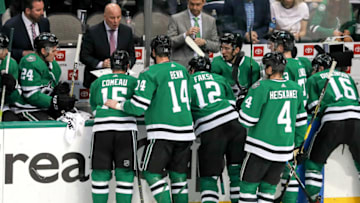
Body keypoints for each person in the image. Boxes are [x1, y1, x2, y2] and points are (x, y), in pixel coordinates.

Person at [105, 35, 195, 203]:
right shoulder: (182, 70)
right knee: (178, 176)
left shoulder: (150, 73)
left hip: (163, 133)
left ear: (153, 52)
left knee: (151, 172)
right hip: (186, 132)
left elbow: (138, 107)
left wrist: (118, 105)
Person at [238, 52, 307, 203]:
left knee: (248, 189)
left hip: (260, 148)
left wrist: (242, 104)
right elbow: (301, 122)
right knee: (268, 191)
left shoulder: (261, 87)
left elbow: (247, 120)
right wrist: (297, 145)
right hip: (284, 151)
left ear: (269, 69)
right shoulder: (296, 89)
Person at [188, 56, 246, 203]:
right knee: (236, 173)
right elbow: (232, 103)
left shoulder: (187, 82)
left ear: (192, 69)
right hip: (236, 126)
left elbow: (184, 109)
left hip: (212, 130)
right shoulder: (220, 79)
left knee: (209, 178)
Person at [305, 53, 360, 202]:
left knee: (313, 164)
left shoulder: (313, 79)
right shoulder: (347, 77)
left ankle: (314, 198)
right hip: (357, 120)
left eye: (315, 68)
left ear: (321, 67)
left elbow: (313, 108)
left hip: (333, 122)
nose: (313, 71)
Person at [89, 50, 138, 203]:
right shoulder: (134, 81)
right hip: (125, 131)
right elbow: (138, 105)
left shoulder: (98, 82)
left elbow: (94, 107)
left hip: (102, 130)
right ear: (128, 65)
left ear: (111, 66)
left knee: (100, 173)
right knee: (124, 173)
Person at [268, 30, 308, 203]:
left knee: (288, 167)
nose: (270, 46)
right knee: (290, 166)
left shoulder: (285, 66)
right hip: (298, 116)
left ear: (282, 46)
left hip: (288, 119)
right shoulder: (299, 63)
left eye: (273, 43)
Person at [16, 32, 75, 121]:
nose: (56, 54)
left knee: (75, 119)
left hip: (44, 108)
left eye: (57, 49)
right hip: (27, 109)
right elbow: (30, 95)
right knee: (52, 127)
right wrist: (54, 101)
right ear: (43, 51)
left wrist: (59, 93)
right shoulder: (30, 62)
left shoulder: (54, 65)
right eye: (53, 51)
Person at [80, 3, 136, 88]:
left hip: (121, 80)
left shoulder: (127, 31)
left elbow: (132, 55)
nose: (116, 21)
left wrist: (125, 67)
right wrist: (101, 64)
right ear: (105, 16)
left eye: (118, 17)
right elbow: (84, 56)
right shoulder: (92, 32)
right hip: (96, 80)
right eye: (112, 18)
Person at [167, 0, 220, 67]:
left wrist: (204, 42)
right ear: (188, 2)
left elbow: (216, 46)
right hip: (181, 65)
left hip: (202, 66)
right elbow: (169, 42)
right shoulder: (176, 19)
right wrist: (185, 35)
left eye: (198, 5)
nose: (194, 7)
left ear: (203, 3)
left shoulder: (210, 20)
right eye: (192, 4)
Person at [0, 33, 22, 121]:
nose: (6, 52)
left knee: (13, 122)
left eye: (7, 48)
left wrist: (12, 88)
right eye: (2, 48)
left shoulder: (10, 64)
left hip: (3, 107)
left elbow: (15, 98)